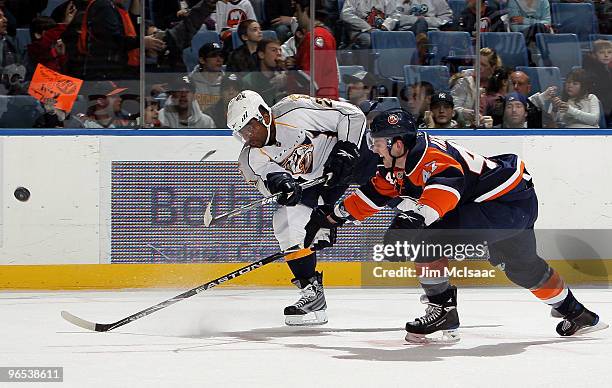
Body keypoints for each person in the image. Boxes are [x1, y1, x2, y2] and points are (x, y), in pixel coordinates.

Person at [303, 109, 608, 342]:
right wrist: (332, 217)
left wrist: (418, 217)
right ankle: (578, 313)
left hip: (503, 206)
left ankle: (443, 311)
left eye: (379, 141)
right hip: (512, 202)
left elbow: (446, 189)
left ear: (398, 144)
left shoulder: (432, 158)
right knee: (523, 267)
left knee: (426, 238)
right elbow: (374, 194)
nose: (374, 148)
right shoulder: (398, 164)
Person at [226, 90, 365, 326]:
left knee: (400, 190)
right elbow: (269, 184)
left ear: (263, 115)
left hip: (349, 160)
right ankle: (312, 293)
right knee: (286, 222)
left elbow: (353, 116)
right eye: (241, 133)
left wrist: (347, 149)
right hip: (316, 186)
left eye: (249, 128)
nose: (247, 137)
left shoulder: (296, 110)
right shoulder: (249, 158)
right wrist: (281, 186)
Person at [294, 0, 339, 100]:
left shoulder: (317, 35)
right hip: (321, 102)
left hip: (318, 104)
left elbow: (311, 78)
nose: (295, 16)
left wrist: (286, 77)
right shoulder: (320, 34)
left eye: (297, 11)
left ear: (305, 10)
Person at [530, 69, 601, 128]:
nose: (570, 86)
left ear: (583, 86)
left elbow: (594, 120)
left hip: (591, 135)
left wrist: (570, 110)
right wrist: (554, 109)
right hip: (568, 136)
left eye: (575, 83)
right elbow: (551, 124)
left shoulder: (591, 98)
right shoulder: (561, 100)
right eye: (568, 82)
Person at [451, 47, 502, 126]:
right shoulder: (463, 82)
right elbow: (452, 109)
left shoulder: (498, 84)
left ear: (493, 68)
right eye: (476, 63)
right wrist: (465, 113)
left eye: (483, 65)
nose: (478, 67)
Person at [27, 3, 77, 74]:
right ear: (37, 35)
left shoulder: (56, 51)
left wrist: (61, 56)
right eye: (49, 33)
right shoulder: (35, 49)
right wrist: (64, 24)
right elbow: (46, 42)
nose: (54, 36)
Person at [242, 39, 288, 106]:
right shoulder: (249, 80)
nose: (279, 53)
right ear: (261, 55)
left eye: (280, 50)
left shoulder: (285, 76)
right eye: (274, 50)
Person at [189, 42, 224, 115]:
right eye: (213, 56)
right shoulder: (190, 82)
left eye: (221, 56)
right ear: (202, 60)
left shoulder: (227, 82)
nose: (219, 60)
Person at [381, 0, 452, 35]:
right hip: (404, 31)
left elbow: (446, 17)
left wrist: (427, 21)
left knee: (421, 22)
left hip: (430, 30)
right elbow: (392, 16)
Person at [583, 40, 612, 127]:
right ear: (594, 55)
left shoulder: (609, 70)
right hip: (602, 110)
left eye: (609, 52)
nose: (606, 55)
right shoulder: (591, 73)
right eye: (602, 52)